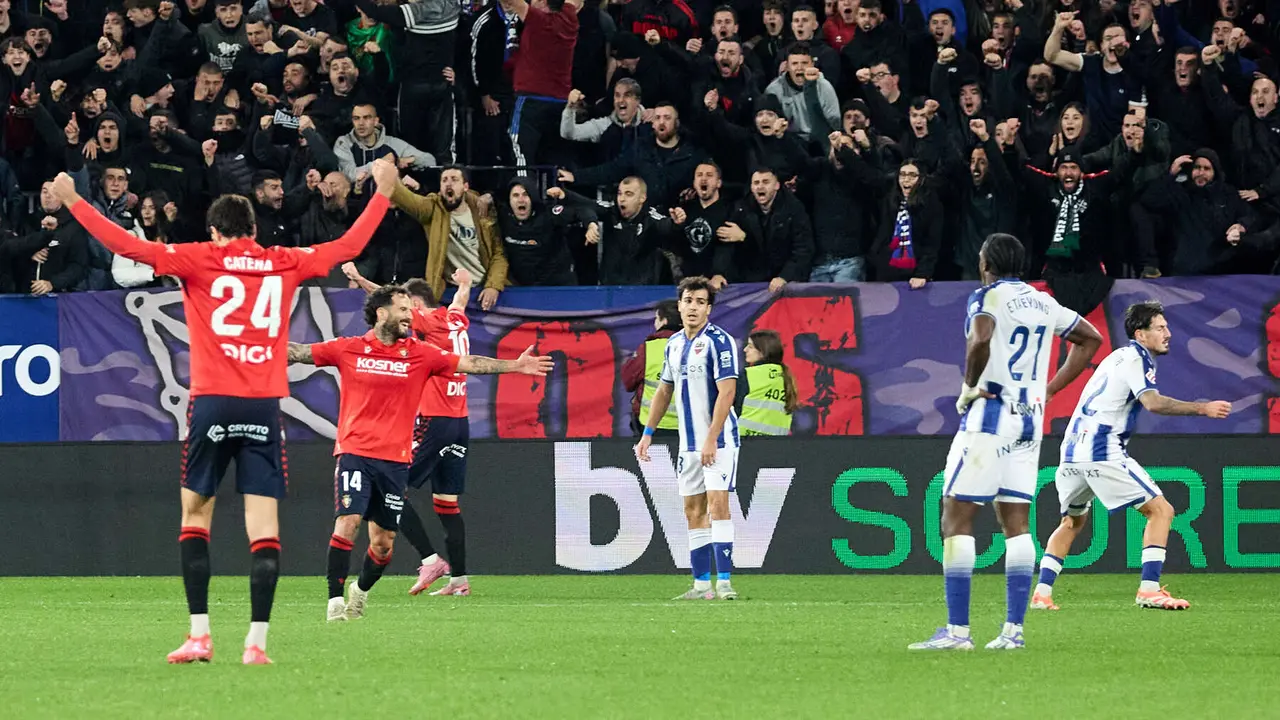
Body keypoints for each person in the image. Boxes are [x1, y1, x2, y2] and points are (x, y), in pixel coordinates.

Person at [51, 157, 401, 665]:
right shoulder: (283, 260)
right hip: (263, 406)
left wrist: (73, 199)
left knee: (196, 514)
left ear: (215, 232)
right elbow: (348, 247)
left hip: (212, 403)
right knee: (263, 523)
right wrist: (384, 191)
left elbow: (128, 247)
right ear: (254, 230)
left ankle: (200, 635)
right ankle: (256, 644)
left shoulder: (198, 257)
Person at [286, 284, 552, 622]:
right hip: (354, 452)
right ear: (381, 313)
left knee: (383, 544)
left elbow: (468, 363)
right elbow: (299, 352)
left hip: (396, 461)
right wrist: (254, 347)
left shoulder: (420, 354)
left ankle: (360, 591)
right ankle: (334, 602)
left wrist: (514, 366)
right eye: (402, 310)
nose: (409, 317)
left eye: (410, 311)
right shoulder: (349, 348)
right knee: (348, 522)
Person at [909, 233, 1102, 651]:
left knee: (956, 518)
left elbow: (981, 337)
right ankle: (1013, 631)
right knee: (1017, 523)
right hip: (1030, 422)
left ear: (986, 264)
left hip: (990, 418)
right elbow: (1091, 338)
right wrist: (1051, 389)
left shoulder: (988, 297)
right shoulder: (1044, 302)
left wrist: (967, 385)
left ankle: (958, 632)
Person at [1033, 301, 1232, 612]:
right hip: (1101, 449)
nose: (1168, 333)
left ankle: (1041, 594)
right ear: (1140, 334)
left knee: (1072, 522)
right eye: (1160, 328)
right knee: (1161, 510)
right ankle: (1149, 589)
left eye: (1166, 327)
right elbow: (1153, 403)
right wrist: (1202, 408)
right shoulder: (1137, 358)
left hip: (1071, 452)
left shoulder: (1116, 357)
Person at [634, 276, 742, 601]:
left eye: (700, 302)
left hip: (719, 441)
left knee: (718, 505)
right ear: (679, 305)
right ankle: (701, 585)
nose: (693, 307)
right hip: (688, 444)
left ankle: (725, 584)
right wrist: (647, 433)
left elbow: (727, 392)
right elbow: (664, 390)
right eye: (688, 301)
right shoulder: (674, 344)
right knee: (693, 510)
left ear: (709, 309)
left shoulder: (719, 341)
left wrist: (711, 438)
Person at [622, 299, 681, 437]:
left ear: (664, 321)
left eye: (656, 318)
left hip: (650, 426)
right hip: (689, 426)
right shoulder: (699, 347)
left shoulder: (648, 348)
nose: (655, 323)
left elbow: (628, 381)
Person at [734, 329, 797, 436]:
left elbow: (734, 409)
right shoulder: (787, 376)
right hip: (778, 441)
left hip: (746, 439)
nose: (745, 350)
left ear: (763, 351)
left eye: (750, 346)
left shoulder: (749, 374)